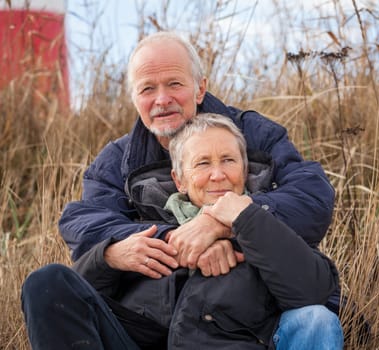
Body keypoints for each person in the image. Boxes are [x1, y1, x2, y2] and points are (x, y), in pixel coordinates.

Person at [24, 30, 343, 346]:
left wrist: (220, 222)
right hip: (149, 319)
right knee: (47, 284)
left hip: (248, 318)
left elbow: (311, 197)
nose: (162, 99)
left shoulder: (254, 134)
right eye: (148, 88)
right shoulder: (116, 160)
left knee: (315, 319)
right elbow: (89, 225)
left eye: (174, 84)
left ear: (200, 88)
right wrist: (172, 242)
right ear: (135, 98)